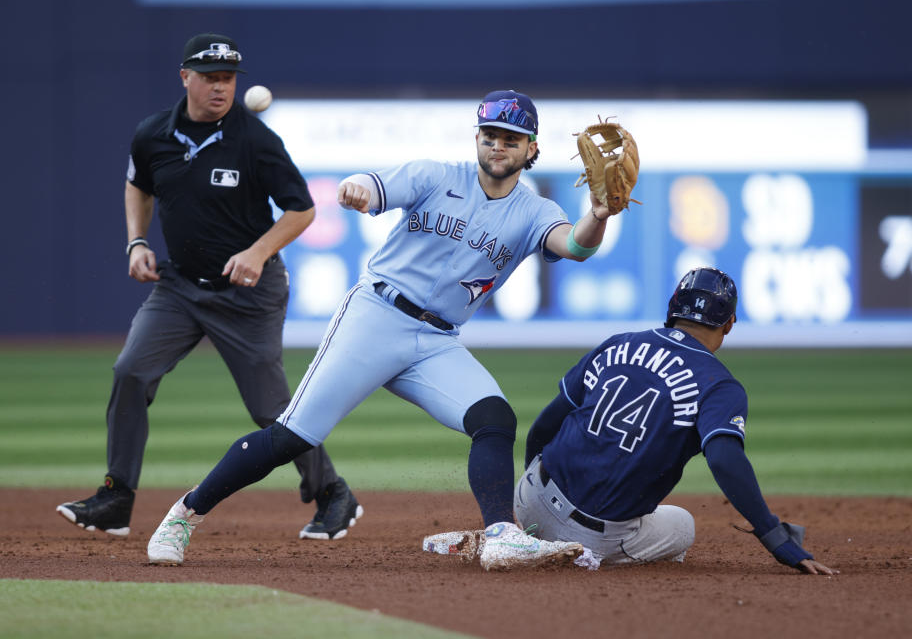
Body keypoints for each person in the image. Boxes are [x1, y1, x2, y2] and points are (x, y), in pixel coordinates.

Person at [145, 89, 620, 569]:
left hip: (437, 341)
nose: (499, 145)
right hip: (375, 316)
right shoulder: (436, 175)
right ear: (477, 138)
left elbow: (575, 247)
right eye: (490, 135)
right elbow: (372, 186)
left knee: (494, 419)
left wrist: (598, 215)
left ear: (531, 149)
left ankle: (500, 534)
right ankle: (185, 514)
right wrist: (357, 189)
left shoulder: (535, 211)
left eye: (512, 139)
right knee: (292, 436)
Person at [56, 33, 362, 543]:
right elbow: (138, 183)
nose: (221, 87)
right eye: (210, 77)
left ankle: (332, 493)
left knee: (271, 410)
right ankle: (116, 497)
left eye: (228, 78)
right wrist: (135, 241)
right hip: (179, 287)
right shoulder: (153, 133)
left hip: (249, 294)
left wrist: (259, 251)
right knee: (131, 370)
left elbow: (303, 210)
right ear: (186, 78)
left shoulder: (256, 140)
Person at [511, 267, 837, 574]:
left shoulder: (617, 343)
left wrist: (532, 488)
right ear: (729, 324)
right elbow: (725, 460)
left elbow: (544, 426)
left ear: (673, 309)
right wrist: (776, 538)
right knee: (683, 524)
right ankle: (586, 558)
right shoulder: (719, 384)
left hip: (527, 501)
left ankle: (531, 533)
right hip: (591, 540)